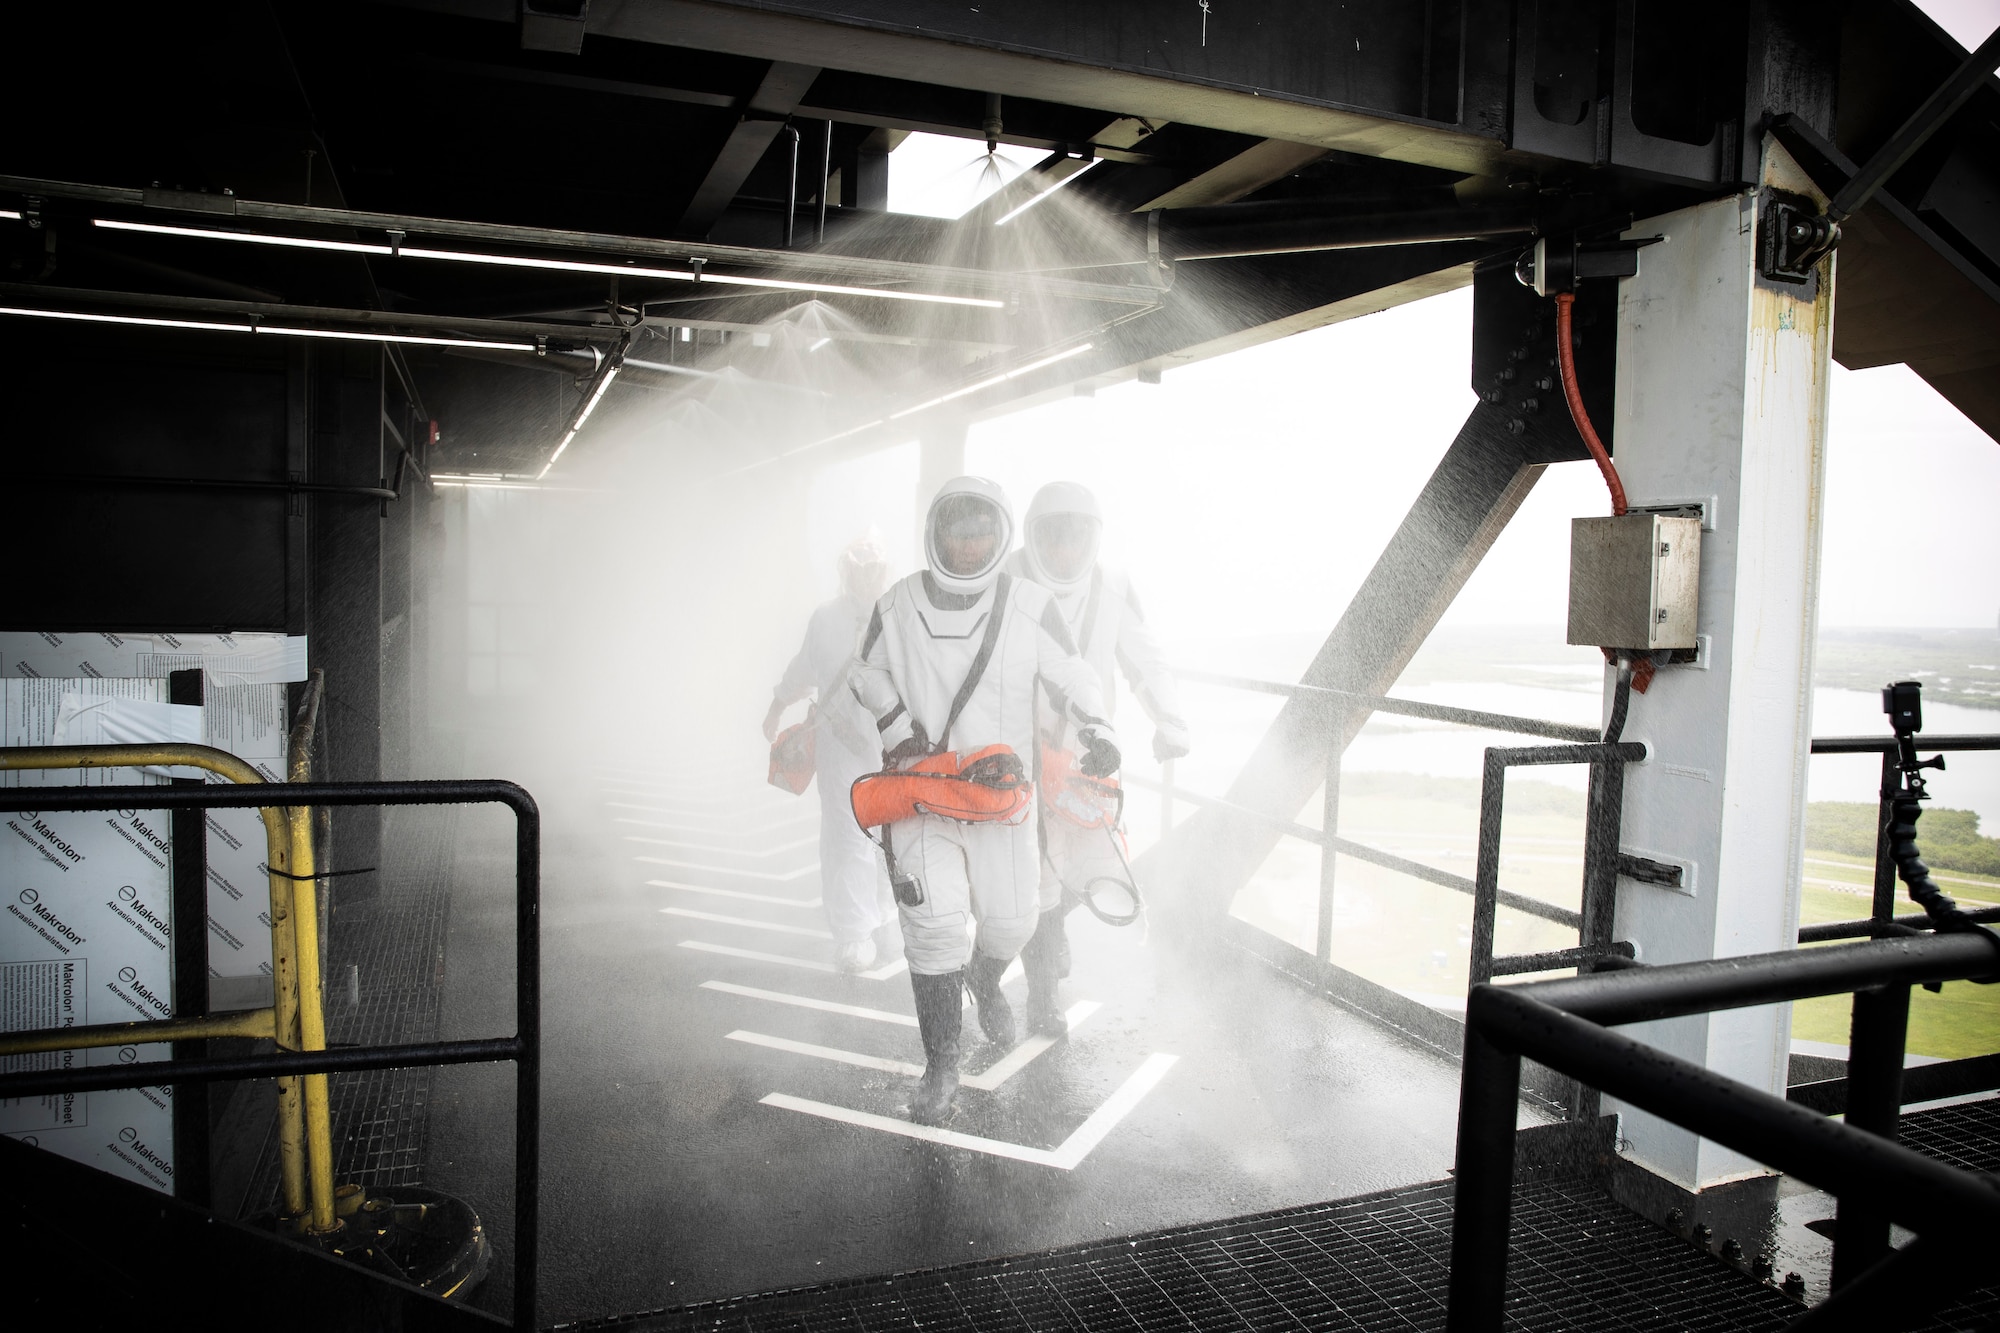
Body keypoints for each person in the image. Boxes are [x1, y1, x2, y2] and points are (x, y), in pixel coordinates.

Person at [850, 476, 1119, 1124]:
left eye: (981, 531)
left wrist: (1098, 727)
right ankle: (940, 1066)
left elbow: (1072, 671)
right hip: (924, 794)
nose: (969, 545)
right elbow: (866, 670)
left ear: (1000, 533)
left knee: (1012, 921)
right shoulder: (897, 602)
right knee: (935, 930)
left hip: (1002, 798)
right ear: (934, 532)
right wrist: (894, 723)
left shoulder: (1028, 603)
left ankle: (987, 977)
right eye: (956, 530)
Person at [1005, 481, 1189, 1035]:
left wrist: (1170, 721)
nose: (1063, 552)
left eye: (1074, 539)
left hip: (1090, 757)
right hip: (1017, 757)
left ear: (1093, 540)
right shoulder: (1004, 580)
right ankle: (1042, 998)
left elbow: (1144, 657)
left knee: (1096, 869)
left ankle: (1053, 924)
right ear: (1035, 538)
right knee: (1032, 877)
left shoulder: (1112, 586)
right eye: (1053, 538)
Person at [764, 535, 899, 972]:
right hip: (839, 745)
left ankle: (884, 917)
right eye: (861, 571)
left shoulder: (899, 617)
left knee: (889, 836)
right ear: (846, 573)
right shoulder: (826, 618)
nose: (867, 578)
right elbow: (803, 668)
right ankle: (854, 934)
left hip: (889, 744)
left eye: (874, 570)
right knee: (847, 837)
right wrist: (777, 706)